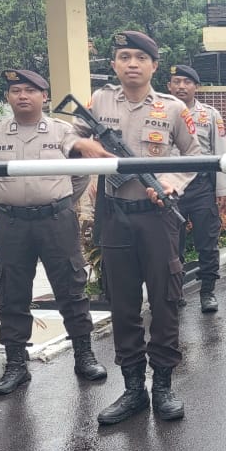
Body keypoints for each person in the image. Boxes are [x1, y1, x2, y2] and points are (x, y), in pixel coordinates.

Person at [66, 31, 202, 426]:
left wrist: (171, 183)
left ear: (154, 66)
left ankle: (163, 386)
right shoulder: (99, 101)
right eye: (124, 56)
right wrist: (82, 146)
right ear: (114, 64)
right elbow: (68, 134)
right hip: (115, 213)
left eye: (140, 58)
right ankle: (132, 389)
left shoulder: (173, 108)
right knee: (123, 303)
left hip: (157, 215)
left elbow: (195, 154)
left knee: (165, 301)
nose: (132, 64)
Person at [0, 69, 107, 396]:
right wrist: (8, 201)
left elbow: (80, 175)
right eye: (16, 90)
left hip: (56, 221)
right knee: (11, 291)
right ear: (7, 96)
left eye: (30, 90)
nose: (22, 96)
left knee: (71, 287)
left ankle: (84, 355)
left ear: (44, 97)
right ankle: (16, 365)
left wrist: (59, 201)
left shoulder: (64, 132)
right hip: (12, 223)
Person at [168, 64, 226, 315]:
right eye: (177, 82)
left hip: (201, 186)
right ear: (169, 86)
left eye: (187, 82)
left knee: (207, 242)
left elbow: (220, 150)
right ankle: (175, 293)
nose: (181, 87)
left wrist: (224, 189)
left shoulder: (209, 115)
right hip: (170, 187)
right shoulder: (160, 112)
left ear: (196, 87)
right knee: (171, 244)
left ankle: (207, 291)